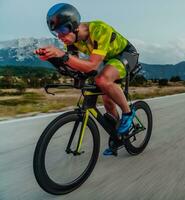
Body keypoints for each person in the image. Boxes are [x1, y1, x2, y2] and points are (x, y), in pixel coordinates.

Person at [35, 3, 138, 156]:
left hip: (126, 55)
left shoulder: (99, 29)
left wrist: (62, 55)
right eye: (56, 33)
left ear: (74, 25)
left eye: (63, 30)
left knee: (102, 80)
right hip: (107, 60)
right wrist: (52, 58)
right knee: (107, 100)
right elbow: (74, 66)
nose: (60, 37)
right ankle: (117, 136)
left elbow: (91, 65)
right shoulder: (72, 42)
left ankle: (128, 113)